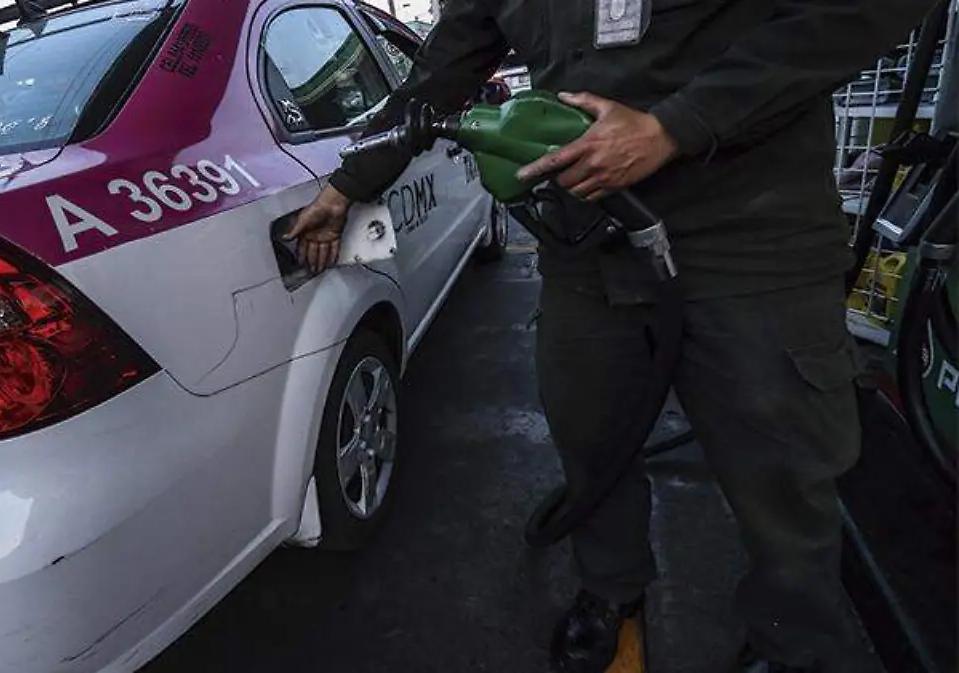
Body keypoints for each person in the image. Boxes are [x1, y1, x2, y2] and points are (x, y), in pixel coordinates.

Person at [285, 1, 940, 672]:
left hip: (750, 239)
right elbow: (440, 71)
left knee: (782, 471)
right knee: (591, 440)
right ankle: (611, 591)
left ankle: (794, 640)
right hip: (589, 244)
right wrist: (345, 187)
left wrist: (675, 126)